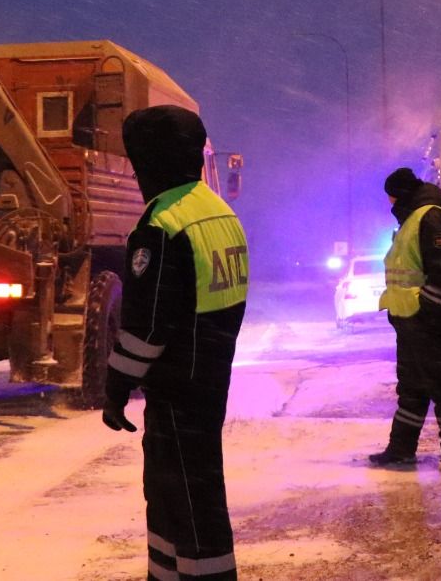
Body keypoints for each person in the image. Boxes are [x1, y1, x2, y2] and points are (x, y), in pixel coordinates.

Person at [103, 105, 249, 581]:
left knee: (183, 495)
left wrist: (117, 386)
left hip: (176, 388)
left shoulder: (162, 225)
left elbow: (146, 327)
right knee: (183, 491)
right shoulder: (219, 212)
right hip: (208, 378)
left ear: (151, 160)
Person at [369, 166, 441, 470]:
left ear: (399, 195)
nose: (390, 204)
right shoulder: (413, 218)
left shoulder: (429, 217)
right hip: (411, 320)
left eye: (391, 198)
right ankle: (401, 448)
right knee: (412, 387)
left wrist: (426, 311)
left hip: (429, 319)